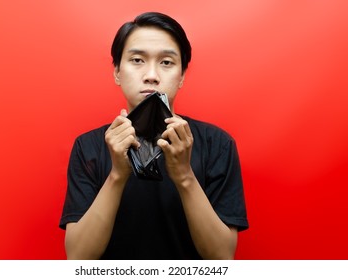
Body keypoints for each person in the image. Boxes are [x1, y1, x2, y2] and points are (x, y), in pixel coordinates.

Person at [59, 11, 248, 260]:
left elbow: (222, 258)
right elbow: (78, 258)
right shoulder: (89, 146)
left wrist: (184, 176)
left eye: (166, 62)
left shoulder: (218, 144)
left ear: (181, 76)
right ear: (117, 71)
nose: (151, 75)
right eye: (137, 60)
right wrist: (117, 174)